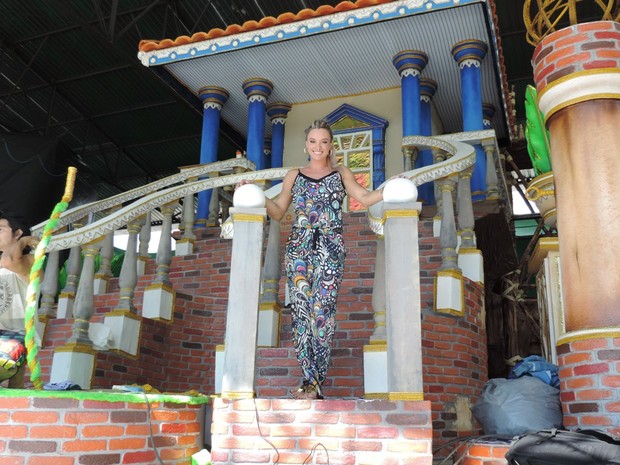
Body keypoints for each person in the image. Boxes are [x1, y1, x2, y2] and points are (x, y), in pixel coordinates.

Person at [249, 119, 384, 399]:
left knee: (322, 314)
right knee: (300, 313)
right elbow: (277, 212)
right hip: (298, 248)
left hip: (331, 248)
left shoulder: (341, 172)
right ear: (306, 145)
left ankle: (316, 380)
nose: (318, 147)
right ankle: (309, 382)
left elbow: (366, 198)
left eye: (323, 141)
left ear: (331, 145)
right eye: (313, 141)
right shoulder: (293, 175)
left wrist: (393, 185)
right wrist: (257, 194)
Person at [0, 212, 39, 387]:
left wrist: (22, 242)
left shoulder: (30, 261)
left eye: (0, 230)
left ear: (17, 233)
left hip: (15, 339)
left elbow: (9, 260)